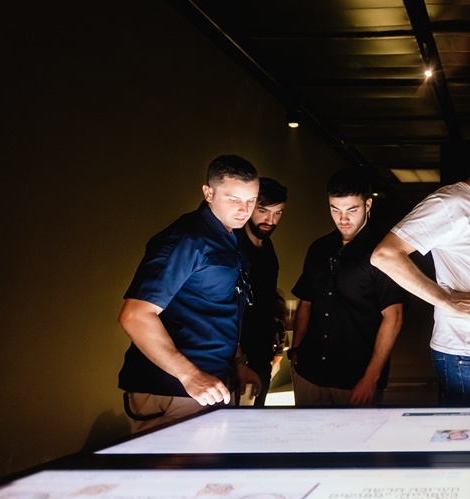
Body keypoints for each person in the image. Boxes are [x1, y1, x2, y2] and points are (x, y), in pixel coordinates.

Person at [370, 127, 470, 406]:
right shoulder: (450, 203)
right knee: (469, 447)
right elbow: (385, 255)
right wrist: (445, 299)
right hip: (468, 355)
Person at [117, 154, 262, 432]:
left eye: (251, 200)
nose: (244, 210)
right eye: (233, 199)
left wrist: (238, 362)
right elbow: (135, 316)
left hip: (211, 386)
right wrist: (190, 376)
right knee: (166, 475)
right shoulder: (185, 239)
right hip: (173, 390)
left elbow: (221, 309)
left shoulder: (230, 238)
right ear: (208, 193)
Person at [288, 167, 406, 406]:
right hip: (308, 374)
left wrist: (371, 378)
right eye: (335, 209)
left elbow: (393, 318)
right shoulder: (318, 248)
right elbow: (306, 302)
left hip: (355, 379)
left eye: (352, 210)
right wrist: (296, 350)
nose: (343, 219)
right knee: (308, 443)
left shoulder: (384, 252)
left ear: (368, 205)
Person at [235, 177, 288, 406]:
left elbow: (267, 302)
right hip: (235, 357)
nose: (270, 220)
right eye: (263, 211)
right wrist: (238, 360)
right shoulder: (233, 245)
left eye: (278, 213)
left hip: (261, 355)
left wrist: (274, 349)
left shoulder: (268, 248)